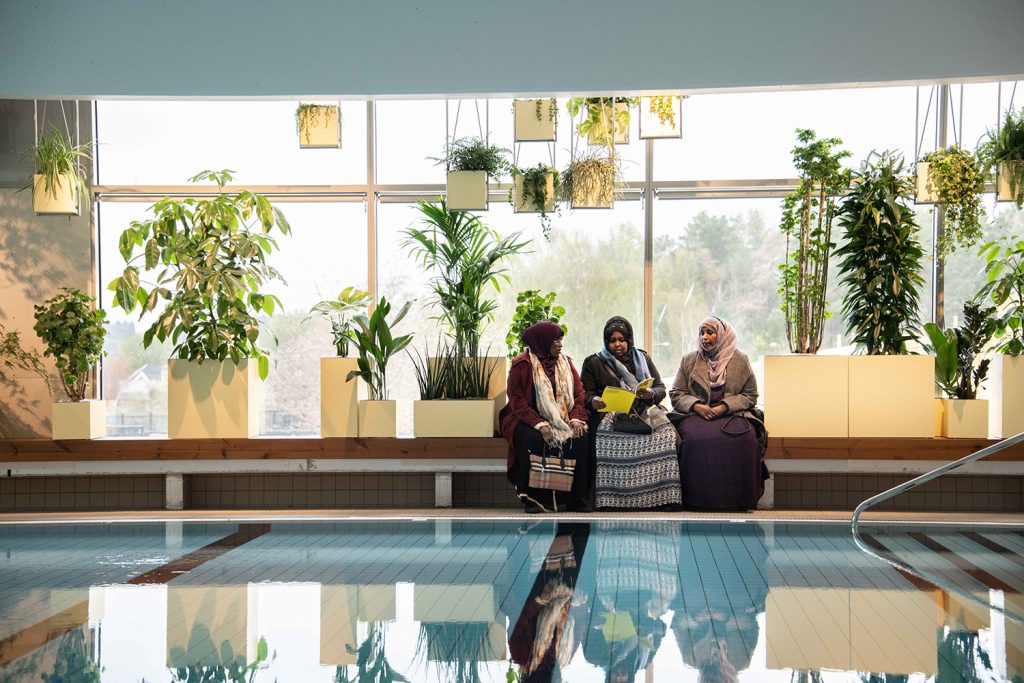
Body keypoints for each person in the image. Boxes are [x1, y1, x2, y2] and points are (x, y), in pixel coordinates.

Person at [580, 316, 682, 510]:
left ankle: (662, 498)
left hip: (644, 411)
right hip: (610, 414)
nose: (617, 344)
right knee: (606, 436)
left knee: (667, 434)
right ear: (606, 341)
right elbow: (585, 393)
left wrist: (650, 393)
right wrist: (594, 401)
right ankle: (611, 500)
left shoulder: (643, 358)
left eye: (621, 340)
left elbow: (660, 388)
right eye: (612, 340)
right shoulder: (594, 362)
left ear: (629, 339)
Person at [670, 316, 767, 510]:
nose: (704, 337)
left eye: (710, 333)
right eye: (702, 333)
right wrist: (696, 406)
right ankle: (696, 501)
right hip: (695, 415)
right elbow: (676, 393)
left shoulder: (740, 360)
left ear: (722, 335)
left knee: (746, 439)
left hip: (732, 414)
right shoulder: (689, 360)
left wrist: (724, 406)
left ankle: (741, 500)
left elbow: (750, 395)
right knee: (694, 440)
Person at [500, 321, 592, 513]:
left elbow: (579, 393)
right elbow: (517, 400)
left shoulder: (566, 363)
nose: (560, 345)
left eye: (561, 340)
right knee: (532, 439)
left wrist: (576, 418)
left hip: (563, 418)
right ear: (542, 341)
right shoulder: (522, 365)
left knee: (580, 437)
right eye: (556, 341)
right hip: (527, 418)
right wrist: (539, 424)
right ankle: (533, 499)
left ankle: (575, 498)